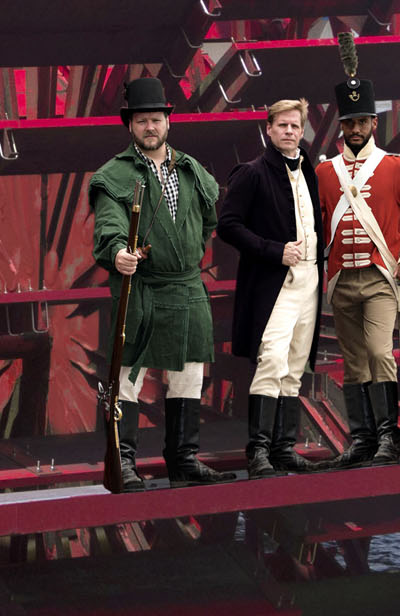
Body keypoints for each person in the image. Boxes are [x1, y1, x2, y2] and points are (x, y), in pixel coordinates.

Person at [90, 76, 235, 490]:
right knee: (128, 378)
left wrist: (185, 253)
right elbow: (109, 225)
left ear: (167, 122)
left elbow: (208, 219)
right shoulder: (113, 175)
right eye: (141, 122)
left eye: (156, 120)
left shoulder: (190, 170)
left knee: (189, 373)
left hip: (186, 287)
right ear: (130, 126)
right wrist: (118, 251)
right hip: (142, 289)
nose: (150, 128)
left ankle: (183, 459)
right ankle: (126, 462)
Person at [316, 71, 400, 468]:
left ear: (373, 124)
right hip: (341, 281)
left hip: (381, 279)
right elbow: (314, 223)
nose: (354, 129)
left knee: (379, 353)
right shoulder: (324, 173)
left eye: (361, 122)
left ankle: (389, 439)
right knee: (353, 361)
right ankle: (362, 440)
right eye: (348, 122)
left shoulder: (395, 168)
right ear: (342, 125)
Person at [217, 98, 323, 478]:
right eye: (283, 126)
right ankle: (258, 452)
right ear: (269, 129)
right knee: (272, 361)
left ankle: (283, 449)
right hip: (276, 282)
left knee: (295, 366)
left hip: (310, 280)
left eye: (296, 126)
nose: (290, 132)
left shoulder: (309, 170)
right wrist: (273, 250)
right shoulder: (252, 173)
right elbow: (228, 225)